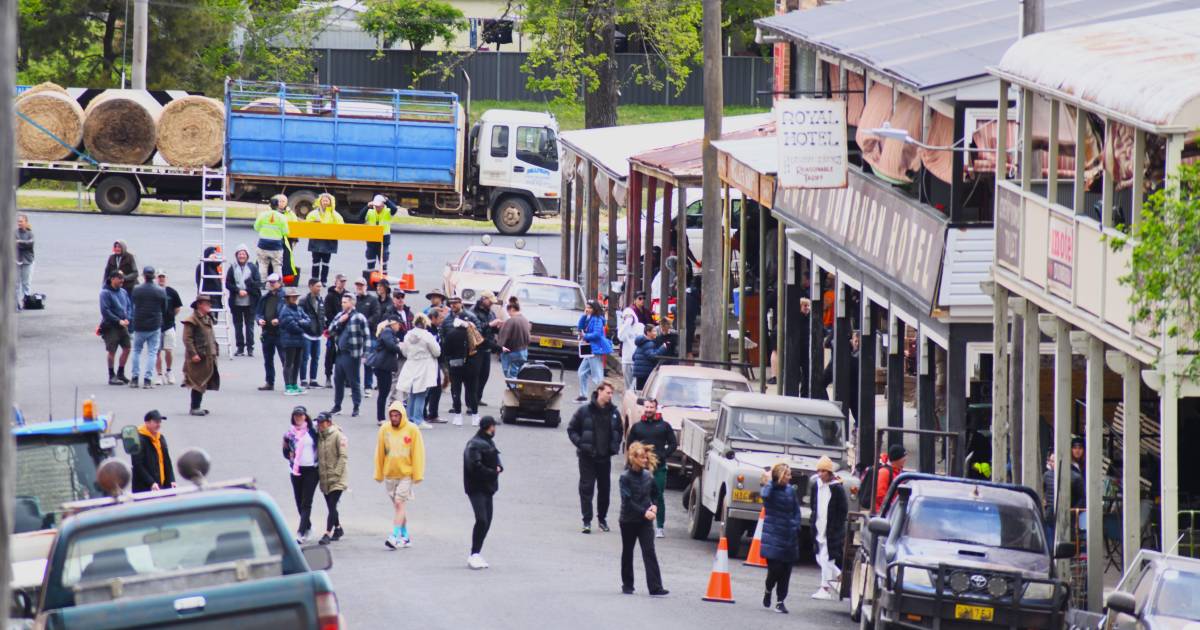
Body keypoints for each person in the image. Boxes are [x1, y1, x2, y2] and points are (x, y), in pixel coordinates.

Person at [567, 382, 622, 533]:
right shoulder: (584, 411)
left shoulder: (614, 413)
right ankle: (587, 521)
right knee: (586, 488)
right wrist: (581, 444)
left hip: (605, 457)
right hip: (587, 457)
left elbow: (619, 430)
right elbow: (571, 429)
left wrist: (614, 446)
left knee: (604, 490)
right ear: (599, 392)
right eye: (608, 392)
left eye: (612, 393)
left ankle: (602, 519)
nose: (611, 396)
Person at [619, 441, 668, 597]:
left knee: (649, 551)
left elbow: (655, 494)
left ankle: (655, 587)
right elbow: (627, 500)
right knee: (628, 551)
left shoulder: (648, 476)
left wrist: (654, 506)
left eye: (646, 458)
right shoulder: (625, 477)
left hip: (645, 521)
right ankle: (627, 584)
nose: (645, 461)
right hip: (628, 520)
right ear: (633, 458)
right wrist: (643, 512)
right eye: (642, 458)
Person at [375, 402, 426, 549]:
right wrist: (378, 473)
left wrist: (417, 474)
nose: (394, 418)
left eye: (397, 415)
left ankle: (395, 535)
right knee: (399, 507)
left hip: (406, 474)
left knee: (399, 503)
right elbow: (380, 451)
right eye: (392, 415)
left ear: (402, 415)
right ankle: (405, 536)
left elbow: (418, 452)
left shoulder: (412, 429)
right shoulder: (385, 429)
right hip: (390, 474)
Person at [625, 398, 676, 538]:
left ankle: (659, 527)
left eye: (651, 407)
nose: (648, 410)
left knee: (658, 496)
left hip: (658, 468)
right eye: (646, 407)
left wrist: (663, 455)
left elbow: (673, 444)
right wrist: (629, 464)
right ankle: (636, 523)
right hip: (640, 469)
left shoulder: (665, 426)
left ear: (656, 408)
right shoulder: (637, 427)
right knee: (636, 496)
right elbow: (630, 447)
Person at [760, 462, 802, 614]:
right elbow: (764, 495)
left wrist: (796, 524)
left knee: (786, 571)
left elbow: (796, 510)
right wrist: (772, 480)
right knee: (775, 570)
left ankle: (780, 601)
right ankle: (768, 588)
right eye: (788, 475)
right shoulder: (770, 490)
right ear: (781, 476)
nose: (790, 478)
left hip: (789, 535)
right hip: (774, 534)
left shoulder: (791, 491)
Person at [463, 415, 503, 569]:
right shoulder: (474, 445)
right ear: (489, 427)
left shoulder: (488, 441)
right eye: (494, 426)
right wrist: (493, 472)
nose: (495, 429)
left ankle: (477, 553)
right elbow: (475, 466)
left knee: (488, 520)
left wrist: (499, 468)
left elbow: (496, 457)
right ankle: (474, 554)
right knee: (482, 520)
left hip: (488, 488)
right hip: (476, 488)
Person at [809, 456, 848, 600]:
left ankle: (824, 588)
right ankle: (839, 576)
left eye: (823, 471)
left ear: (829, 472)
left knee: (826, 558)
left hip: (831, 530)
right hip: (819, 527)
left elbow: (842, 510)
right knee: (820, 557)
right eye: (818, 471)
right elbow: (814, 505)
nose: (820, 474)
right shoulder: (816, 486)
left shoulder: (837, 488)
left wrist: (835, 527)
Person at [396, 313, 441, 429]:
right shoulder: (427, 336)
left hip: (411, 364)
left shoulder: (408, 335)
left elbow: (405, 352)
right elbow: (437, 351)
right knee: (421, 393)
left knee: (412, 393)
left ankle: (410, 418)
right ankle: (418, 420)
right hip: (424, 366)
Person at [282, 406, 319, 543]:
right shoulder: (289, 434)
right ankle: (308, 526)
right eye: (296, 416)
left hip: (312, 470)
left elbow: (330, 430)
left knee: (306, 502)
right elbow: (285, 451)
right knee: (299, 501)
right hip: (296, 471)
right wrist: (290, 455)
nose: (298, 418)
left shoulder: (313, 431)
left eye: (301, 415)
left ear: (305, 416)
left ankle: (301, 532)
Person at [328, 293, 369, 417]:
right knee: (338, 380)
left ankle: (356, 406)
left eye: (345, 302)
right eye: (342, 302)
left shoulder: (359, 317)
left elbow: (366, 336)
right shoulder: (339, 315)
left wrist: (365, 353)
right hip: (340, 353)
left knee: (354, 381)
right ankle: (337, 406)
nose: (343, 304)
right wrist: (339, 322)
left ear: (352, 303)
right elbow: (330, 330)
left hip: (352, 354)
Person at [441, 296, 479, 426]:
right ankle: (457, 412)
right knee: (456, 389)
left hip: (470, 360)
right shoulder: (447, 320)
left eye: (455, 303)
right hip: (454, 361)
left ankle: (472, 410)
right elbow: (443, 338)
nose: (453, 305)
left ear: (461, 304)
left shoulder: (470, 317)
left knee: (471, 389)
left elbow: (478, 336)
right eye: (451, 303)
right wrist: (447, 361)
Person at [129, 266, 168, 389]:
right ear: (154, 276)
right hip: (154, 324)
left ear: (143, 276)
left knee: (136, 350)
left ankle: (135, 378)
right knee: (152, 352)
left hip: (139, 323)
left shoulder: (136, 289)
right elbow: (164, 308)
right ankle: (147, 379)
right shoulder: (160, 291)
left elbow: (133, 303)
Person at [182, 295, 220, 416]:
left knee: (203, 381)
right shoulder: (192, 320)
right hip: (198, 356)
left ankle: (197, 406)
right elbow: (187, 339)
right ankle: (194, 407)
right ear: (199, 305)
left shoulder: (207, 318)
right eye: (206, 303)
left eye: (209, 303)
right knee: (198, 382)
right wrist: (193, 354)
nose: (209, 305)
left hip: (208, 355)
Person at [316, 412, 348, 545]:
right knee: (331, 507)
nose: (320, 425)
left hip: (337, 478)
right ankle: (338, 528)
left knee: (332, 505)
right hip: (324, 478)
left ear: (329, 422)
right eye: (318, 423)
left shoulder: (338, 435)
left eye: (322, 423)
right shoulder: (319, 436)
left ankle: (327, 533)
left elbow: (343, 456)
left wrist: (336, 473)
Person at [225, 245, 262, 357]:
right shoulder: (232, 268)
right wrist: (237, 290)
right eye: (240, 254)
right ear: (236, 255)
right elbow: (228, 283)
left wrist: (247, 291)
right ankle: (240, 347)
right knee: (238, 325)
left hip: (250, 302)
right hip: (236, 302)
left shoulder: (253, 268)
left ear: (247, 256)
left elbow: (257, 283)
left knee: (249, 326)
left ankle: (250, 348)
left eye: (244, 254)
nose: (242, 256)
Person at [368, 315, 404, 425]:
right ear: (393, 323)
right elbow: (390, 345)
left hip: (385, 367)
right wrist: (400, 348)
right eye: (398, 324)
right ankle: (381, 418)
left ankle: (381, 417)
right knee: (383, 393)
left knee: (384, 392)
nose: (399, 326)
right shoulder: (388, 331)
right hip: (383, 366)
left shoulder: (389, 333)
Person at [100, 271, 133, 385]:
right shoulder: (105, 293)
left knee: (127, 348)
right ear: (112, 279)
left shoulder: (123, 292)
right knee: (112, 351)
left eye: (122, 278)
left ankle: (120, 372)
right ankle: (111, 375)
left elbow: (129, 306)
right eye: (119, 278)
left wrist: (128, 318)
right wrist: (118, 320)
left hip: (123, 325)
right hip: (111, 326)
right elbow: (105, 311)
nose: (122, 281)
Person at [575, 301, 612, 403]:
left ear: (595, 309)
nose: (587, 309)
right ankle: (583, 395)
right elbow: (580, 327)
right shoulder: (589, 317)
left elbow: (597, 334)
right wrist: (583, 316)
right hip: (589, 349)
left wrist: (585, 336)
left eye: (590, 308)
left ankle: (603, 396)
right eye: (586, 307)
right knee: (582, 372)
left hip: (595, 349)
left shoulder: (597, 319)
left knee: (597, 375)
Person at [130, 410, 175, 493]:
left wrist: (171, 479)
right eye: (156, 422)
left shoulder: (160, 438)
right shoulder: (138, 441)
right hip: (144, 488)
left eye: (160, 422)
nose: (159, 425)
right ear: (147, 423)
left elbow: (167, 461)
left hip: (161, 485)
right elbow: (137, 465)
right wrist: (151, 482)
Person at [470, 291, 502, 409]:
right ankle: (471, 401)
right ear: (483, 299)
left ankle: (478, 398)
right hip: (477, 348)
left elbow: (491, 330)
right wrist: (490, 324)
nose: (491, 304)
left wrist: (497, 328)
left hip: (487, 347)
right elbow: (475, 330)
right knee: (475, 376)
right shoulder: (473, 312)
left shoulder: (491, 313)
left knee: (484, 375)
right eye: (490, 301)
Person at [279, 287, 312, 396]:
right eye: (292, 297)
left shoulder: (299, 309)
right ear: (287, 298)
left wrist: (300, 323)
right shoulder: (285, 310)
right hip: (289, 341)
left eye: (295, 297)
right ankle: (288, 385)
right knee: (289, 363)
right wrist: (302, 326)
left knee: (297, 363)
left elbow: (308, 321)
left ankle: (294, 384)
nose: (294, 298)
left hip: (299, 341)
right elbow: (291, 326)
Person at [256, 273, 286, 391]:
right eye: (270, 282)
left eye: (274, 282)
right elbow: (258, 312)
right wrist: (260, 320)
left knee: (285, 360)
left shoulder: (285, 297)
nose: (272, 284)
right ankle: (269, 382)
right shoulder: (265, 297)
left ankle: (288, 382)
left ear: (280, 282)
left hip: (280, 333)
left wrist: (279, 320)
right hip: (267, 332)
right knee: (268, 359)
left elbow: (289, 313)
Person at [306, 193, 343, 284]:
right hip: (316, 240)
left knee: (326, 262)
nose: (325, 202)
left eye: (327, 200)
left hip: (329, 241)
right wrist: (314, 223)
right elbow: (307, 223)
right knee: (315, 262)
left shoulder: (334, 214)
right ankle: (314, 280)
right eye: (323, 200)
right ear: (320, 201)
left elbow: (341, 224)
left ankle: (323, 280)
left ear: (330, 202)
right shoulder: (313, 213)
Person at [154, 271, 183, 386]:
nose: (161, 279)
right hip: (155, 326)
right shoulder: (153, 291)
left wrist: (170, 317)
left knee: (168, 350)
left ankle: (169, 371)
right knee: (157, 351)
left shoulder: (172, 292)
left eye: (163, 277)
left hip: (169, 325)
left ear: (166, 278)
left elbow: (177, 308)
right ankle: (159, 374)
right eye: (159, 277)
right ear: (156, 278)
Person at [354, 278, 382, 396]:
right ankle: (355, 387)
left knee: (368, 361)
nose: (359, 287)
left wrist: (364, 323)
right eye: (358, 285)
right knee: (354, 362)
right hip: (355, 335)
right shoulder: (353, 299)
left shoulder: (373, 300)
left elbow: (376, 315)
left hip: (369, 335)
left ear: (366, 286)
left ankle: (368, 386)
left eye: (361, 285)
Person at [254, 195, 291, 279]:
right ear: (278, 205)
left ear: (269, 205)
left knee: (262, 264)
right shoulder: (282, 217)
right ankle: (277, 283)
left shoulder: (262, 215)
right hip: (276, 245)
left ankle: (262, 283)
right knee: (277, 266)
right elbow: (286, 232)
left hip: (263, 244)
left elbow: (256, 227)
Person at [323, 274, 348, 387]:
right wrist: (337, 322)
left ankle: (346, 378)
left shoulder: (347, 295)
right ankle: (328, 376)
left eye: (344, 281)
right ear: (336, 282)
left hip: (345, 329)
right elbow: (328, 313)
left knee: (345, 353)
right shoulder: (330, 296)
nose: (342, 283)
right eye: (341, 281)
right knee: (330, 352)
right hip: (333, 329)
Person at [300, 279, 326, 388]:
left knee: (316, 357)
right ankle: (303, 379)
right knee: (305, 358)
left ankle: (313, 379)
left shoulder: (321, 300)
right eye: (317, 286)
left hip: (318, 334)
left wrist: (323, 326)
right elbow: (300, 316)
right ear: (310, 286)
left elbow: (322, 314)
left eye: (320, 286)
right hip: (307, 334)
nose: (319, 288)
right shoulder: (304, 300)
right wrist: (306, 326)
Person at [497, 298, 531, 379]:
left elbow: (503, 337)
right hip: (523, 351)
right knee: (518, 374)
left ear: (512, 309)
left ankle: (513, 389)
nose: (509, 314)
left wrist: (499, 348)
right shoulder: (525, 320)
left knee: (510, 376)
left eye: (508, 312)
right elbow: (528, 338)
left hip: (512, 352)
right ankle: (517, 389)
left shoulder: (511, 321)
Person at [364, 195, 397, 274]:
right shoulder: (370, 211)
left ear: (383, 205)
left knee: (383, 260)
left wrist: (387, 200)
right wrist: (367, 207)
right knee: (370, 261)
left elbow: (394, 209)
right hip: (371, 240)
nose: (377, 208)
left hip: (384, 239)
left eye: (379, 206)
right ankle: (370, 281)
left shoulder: (388, 212)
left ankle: (383, 280)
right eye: (376, 206)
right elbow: (360, 218)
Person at [425, 307, 447, 423]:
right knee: (427, 388)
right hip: (428, 362)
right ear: (432, 318)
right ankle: (423, 413)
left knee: (436, 388)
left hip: (436, 361)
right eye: (440, 318)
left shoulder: (436, 328)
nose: (442, 320)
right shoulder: (427, 329)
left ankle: (433, 414)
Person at [632, 325, 670, 391]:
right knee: (645, 392)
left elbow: (633, 357)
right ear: (648, 332)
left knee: (639, 391)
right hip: (646, 373)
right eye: (654, 331)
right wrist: (663, 347)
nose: (656, 333)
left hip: (640, 373)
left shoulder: (641, 342)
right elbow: (652, 356)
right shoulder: (649, 344)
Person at [618, 299, 645, 390]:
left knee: (635, 385)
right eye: (626, 317)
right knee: (627, 386)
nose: (628, 318)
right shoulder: (623, 327)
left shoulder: (640, 326)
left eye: (630, 316)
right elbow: (620, 337)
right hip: (626, 359)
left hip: (636, 360)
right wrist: (626, 324)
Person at [874, 444, 907, 512]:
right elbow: (880, 496)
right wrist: (893, 508)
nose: (905, 460)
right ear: (897, 459)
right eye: (903, 457)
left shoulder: (898, 472)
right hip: (884, 512)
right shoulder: (884, 472)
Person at [194, 246, 224, 318]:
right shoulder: (203, 266)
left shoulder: (214, 268)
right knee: (205, 323)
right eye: (213, 253)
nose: (215, 256)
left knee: (212, 323)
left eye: (215, 254)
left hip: (215, 300)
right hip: (206, 300)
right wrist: (208, 259)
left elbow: (218, 262)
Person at [15, 214, 34, 309]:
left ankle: (26, 300)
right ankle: (16, 303)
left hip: (27, 260)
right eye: (18, 221)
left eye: (21, 221)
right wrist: (21, 243)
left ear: (26, 222)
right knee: (16, 282)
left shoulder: (30, 233)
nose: (19, 223)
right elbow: (13, 244)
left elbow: (30, 245)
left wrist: (19, 242)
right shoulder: (15, 233)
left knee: (26, 282)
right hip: (16, 260)